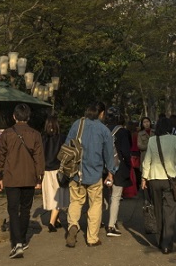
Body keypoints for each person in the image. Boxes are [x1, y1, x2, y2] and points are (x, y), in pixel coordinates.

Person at [0, 103, 44, 258]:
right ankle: (22, 239)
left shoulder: (7, 134)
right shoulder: (35, 134)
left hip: (11, 177)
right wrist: (39, 177)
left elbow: (0, 156)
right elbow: (39, 158)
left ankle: (17, 243)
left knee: (13, 210)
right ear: (28, 117)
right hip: (29, 177)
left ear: (14, 117)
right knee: (26, 209)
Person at [63, 103, 117, 248]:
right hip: (95, 174)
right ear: (101, 114)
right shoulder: (104, 130)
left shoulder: (77, 124)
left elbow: (67, 145)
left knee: (75, 201)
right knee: (95, 204)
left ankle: (73, 226)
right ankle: (92, 238)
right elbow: (109, 154)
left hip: (76, 172)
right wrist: (111, 172)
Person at [140, 115, 176, 254]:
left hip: (154, 179)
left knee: (157, 209)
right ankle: (167, 243)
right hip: (170, 180)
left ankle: (159, 239)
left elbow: (147, 161)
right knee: (169, 211)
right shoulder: (175, 139)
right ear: (169, 128)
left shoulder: (152, 140)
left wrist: (144, 178)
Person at [103, 107, 133, 235]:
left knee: (103, 196)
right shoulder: (122, 132)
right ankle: (111, 226)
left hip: (102, 167)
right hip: (118, 167)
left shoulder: (102, 129)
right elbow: (126, 152)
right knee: (115, 197)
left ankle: (98, 220)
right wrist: (128, 164)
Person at [41, 115, 68, 231]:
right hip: (58, 170)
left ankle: (56, 220)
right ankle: (52, 223)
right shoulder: (62, 138)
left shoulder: (42, 138)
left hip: (45, 170)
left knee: (50, 195)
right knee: (59, 196)